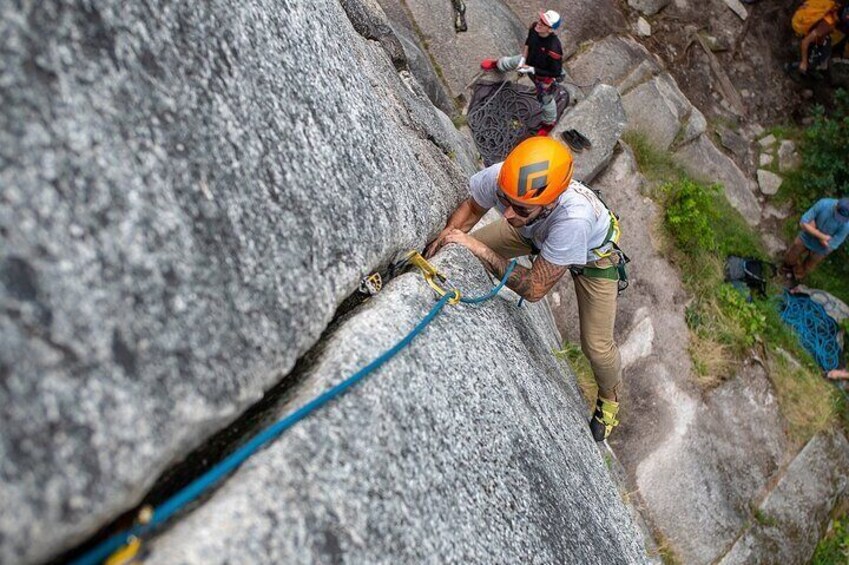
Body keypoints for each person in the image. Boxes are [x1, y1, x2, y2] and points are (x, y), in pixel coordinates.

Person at [425, 137, 627, 441]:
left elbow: (534, 289)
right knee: (464, 249)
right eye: (504, 201)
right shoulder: (505, 179)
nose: (506, 213)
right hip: (534, 232)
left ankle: (609, 400)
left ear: (550, 203)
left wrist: (481, 250)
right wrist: (443, 242)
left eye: (518, 206)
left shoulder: (573, 219)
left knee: (596, 346)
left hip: (593, 260)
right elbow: (471, 208)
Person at [480, 10, 564, 137]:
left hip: (543, 75)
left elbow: (555, 72)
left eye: (544, 23)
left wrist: (531, 69)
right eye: (541, 19)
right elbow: (528, 44)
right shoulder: (535, 28)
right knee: (511, 61)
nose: (540, 23)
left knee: (545, 99)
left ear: (550, 29)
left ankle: (548, 124)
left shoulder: (554, 49)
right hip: (529, 60)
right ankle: (497, 64)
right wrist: (523, 60)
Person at [782, 197, 849, 281]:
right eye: (838, 215)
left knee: (808, 266)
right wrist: (822, 237)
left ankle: (796, 276)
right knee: (792, 254)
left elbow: (832, 245)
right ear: (836, 205)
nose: (838, 219)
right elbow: (803, 222)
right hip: (806, 237)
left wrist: (812, 228)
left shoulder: (846, 225)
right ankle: (787, 267)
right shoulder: (824, 203)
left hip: (821, 249)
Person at [787, 0, 849, 78]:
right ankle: (795, 68)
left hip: (816, 36)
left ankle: (812, 66)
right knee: (820, 55)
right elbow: (805, 42)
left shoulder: (834, 9)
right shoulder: (827, 25)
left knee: (824, 49)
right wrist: (804, 62)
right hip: (806, 37)